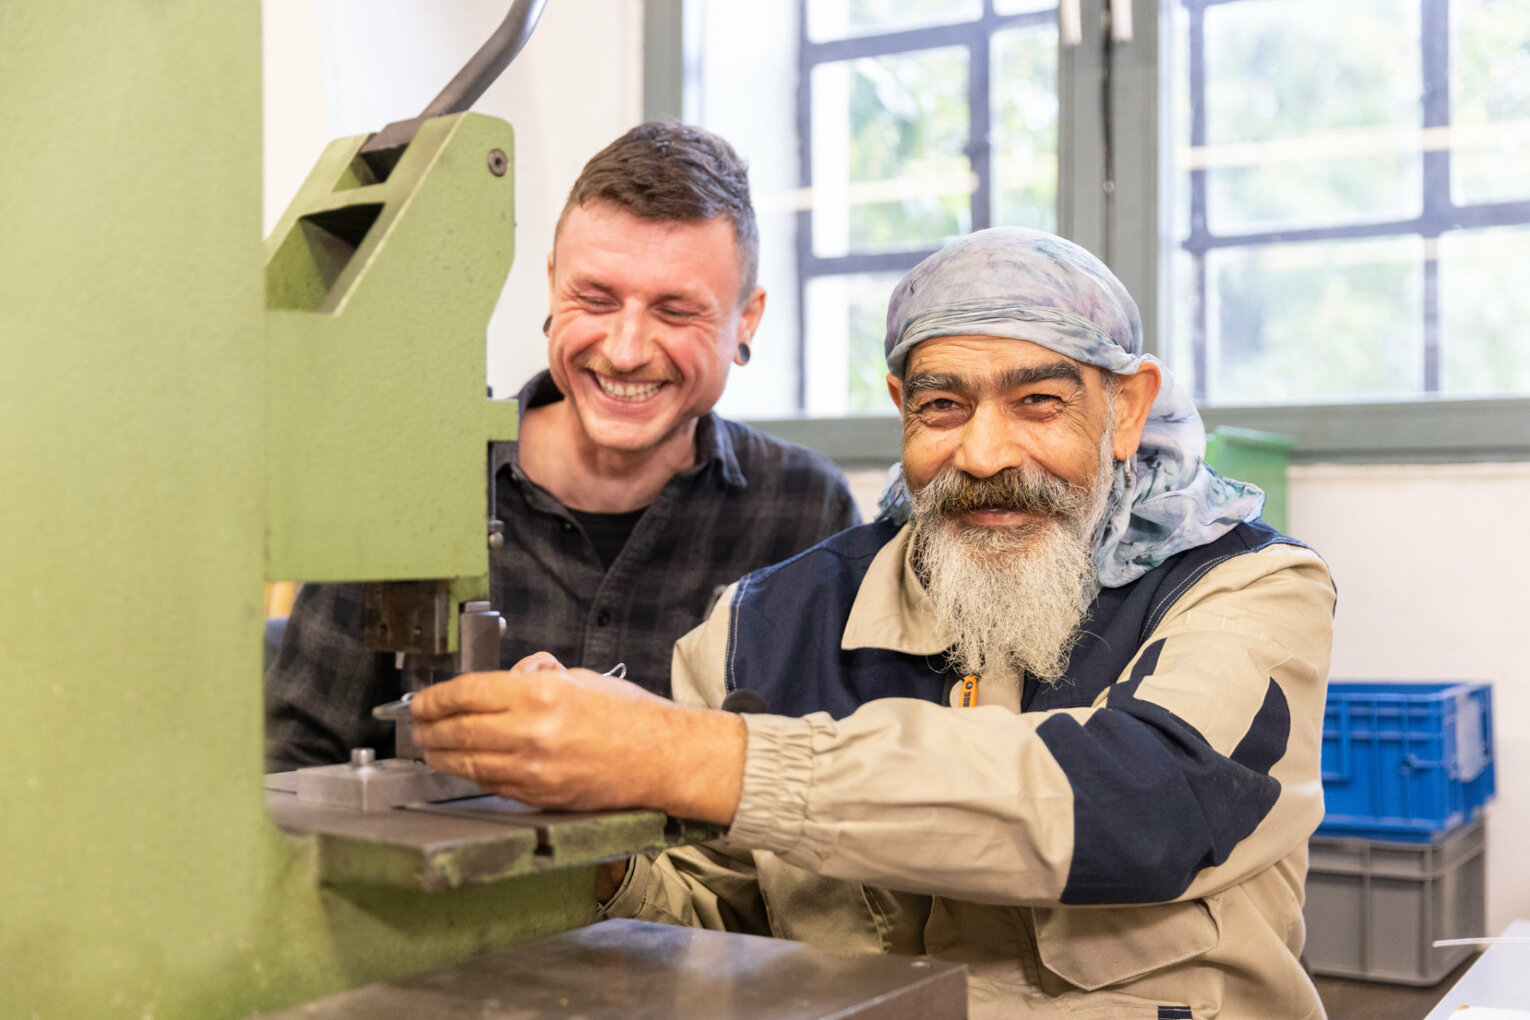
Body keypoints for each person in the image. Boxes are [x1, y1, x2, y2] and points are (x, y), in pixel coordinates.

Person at [407, 227, 1337, 1018]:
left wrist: (693, 756)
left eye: (1039, 402)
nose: (982, 453)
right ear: (901, 411)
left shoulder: (1249, 587)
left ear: (1125, 408)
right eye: (943, 407)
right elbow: (714, 916)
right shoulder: (764, 624)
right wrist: (598, 852)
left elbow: (1141, 810)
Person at [264, 122, 859, 772]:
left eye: (676, 311)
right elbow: (294, 760)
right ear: (553, 285)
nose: (626, 351)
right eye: (595, 299)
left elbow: (828, 783)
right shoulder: (411, 477)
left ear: (746, 319)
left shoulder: (806, 512)